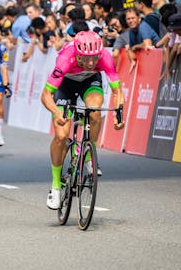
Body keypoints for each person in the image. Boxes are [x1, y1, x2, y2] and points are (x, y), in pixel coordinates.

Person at [41, 31, 125, 210]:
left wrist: (119, 115)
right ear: (77, 54)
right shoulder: (65, 58)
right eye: (85, 59)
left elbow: (117, 91)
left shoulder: (104, 57)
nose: (90, 63)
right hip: (65, 85)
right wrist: (57, 112)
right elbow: (46, 94)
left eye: (94, 58)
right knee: (61, 135)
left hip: (90, 82)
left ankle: (88, 155)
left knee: (94, 112)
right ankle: (56, 186)